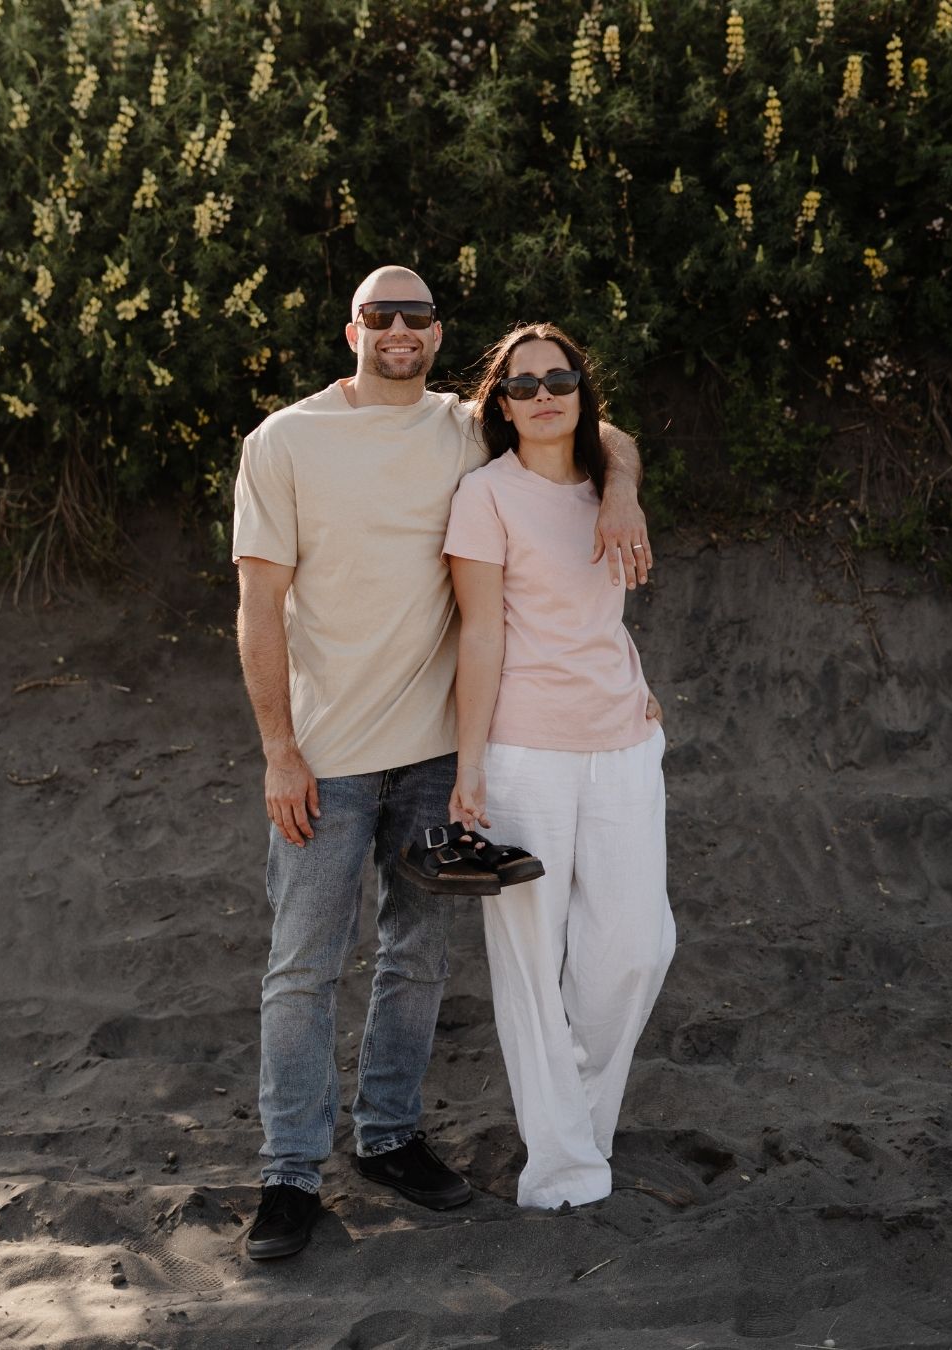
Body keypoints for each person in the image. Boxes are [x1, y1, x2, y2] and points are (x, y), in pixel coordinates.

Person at [232, 269, 653, 1259]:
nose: (398, 329)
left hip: (434, 752)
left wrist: (623, 490)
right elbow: (257, 609)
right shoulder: (284, 441)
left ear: (435, 333)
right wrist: (279, 751)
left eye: (415, 316)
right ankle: (289, 1175)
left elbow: (601, 432)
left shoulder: (463, 428)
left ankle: (389, 1138)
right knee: (302, 968)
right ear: (352, 331)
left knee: (415, 956)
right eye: (379, 315)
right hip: (326, 758)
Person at [444, 322, 675, 1211]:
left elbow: (621, 442)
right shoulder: (485, 496)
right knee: (531, 966)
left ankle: (572, 1113)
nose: (543, 395)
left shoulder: (608, 485)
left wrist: (622, 489)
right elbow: (481, 634)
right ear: (501, 405)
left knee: (637, 949)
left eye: (560, 379)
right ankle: (564, 1169)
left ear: (582, 390)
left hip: (625, 741)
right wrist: (470, 767)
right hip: (524, 751)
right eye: (522, 384)